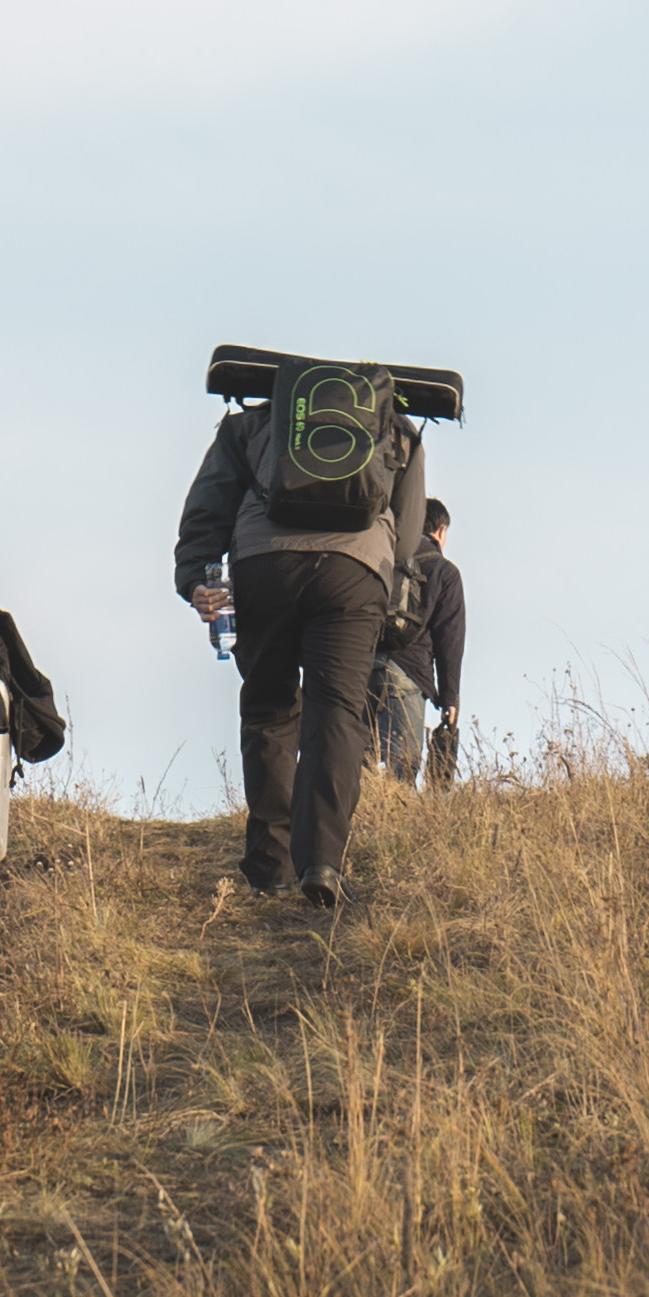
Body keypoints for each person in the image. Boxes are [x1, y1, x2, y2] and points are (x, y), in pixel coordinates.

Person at [175, 367, 431, 906]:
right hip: (355, 570)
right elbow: (408, 536)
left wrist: (197, 577)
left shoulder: (250, 425)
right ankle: (322, 864)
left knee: (269, 708)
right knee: (336, 711)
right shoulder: (396, 428)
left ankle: (271, 867)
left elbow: (208, 505)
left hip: (264, 564)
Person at [372, 495, 466, 790]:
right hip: (408, 672)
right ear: (441, 531)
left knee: (356, 765)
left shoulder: (381, 558)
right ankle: (397, 819)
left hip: (361, 668)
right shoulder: (444, 572)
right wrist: (449, 698)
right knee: (402, 769)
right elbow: (450, 640)